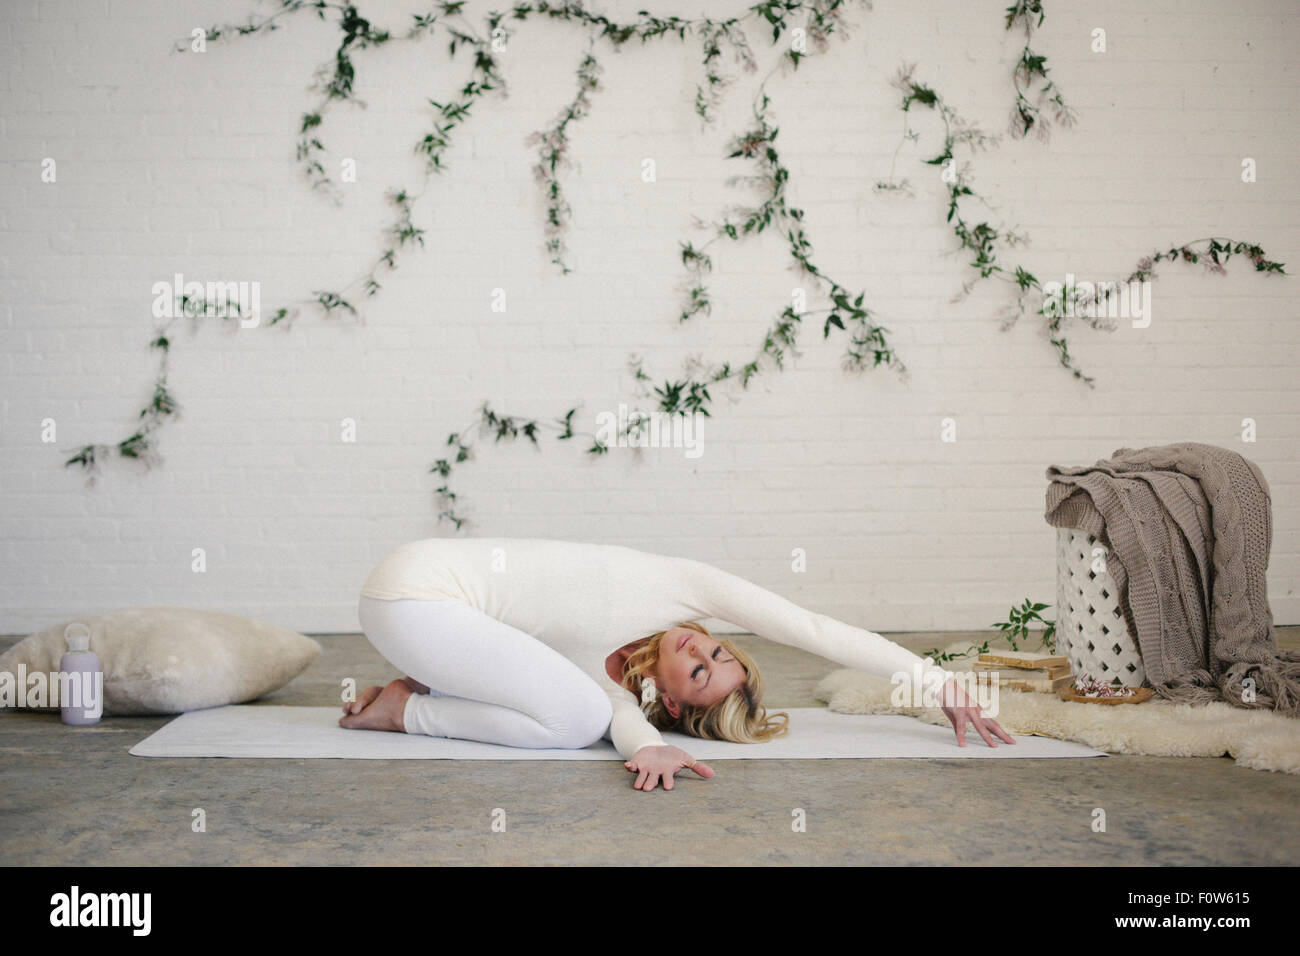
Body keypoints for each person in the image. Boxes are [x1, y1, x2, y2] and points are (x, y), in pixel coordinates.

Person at [341, 538, 1012, 791]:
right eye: (716, 651)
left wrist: (655, 749)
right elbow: (814, 629)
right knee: (571, 721)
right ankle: (410, 709)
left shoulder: (619, 684)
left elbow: (621, 722)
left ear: (671, 698)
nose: (699, 648)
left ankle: (416, 691)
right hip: (416, 593)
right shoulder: (690, 587)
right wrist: (937, 683)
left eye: (699, 672)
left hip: (419, 622)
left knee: (578, 713)